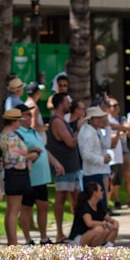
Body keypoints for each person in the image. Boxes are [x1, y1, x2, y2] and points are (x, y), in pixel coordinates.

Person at [0, 107, 40, 246]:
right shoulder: (10, 136)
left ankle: (12, 241)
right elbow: (14, 159)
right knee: (14, 209)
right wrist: (29, 156)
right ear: (14, 121)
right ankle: (13, 242)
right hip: (16, 174)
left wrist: (29, 150)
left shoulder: (7, 134)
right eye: (19, 120)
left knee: (12, 209)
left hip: (13, 174)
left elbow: (15, 152)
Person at [18, 103, 57, 245]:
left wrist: (55, 162)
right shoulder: (18, 133)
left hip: (42, 177)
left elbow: (44, 149)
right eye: (27, 114)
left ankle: (44, 237)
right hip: (29, 177)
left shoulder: (34, 131)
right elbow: (17, 154)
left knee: (43, 206)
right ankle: (27, 239)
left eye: (30, 114)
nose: (30, 117)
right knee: (26, 208)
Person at [46, 92, 82, 242]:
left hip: (71, 165)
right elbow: (70, 142)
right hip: (64, 166)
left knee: (76, 197)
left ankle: (77, 229)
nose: (69, 104)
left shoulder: (61, 120)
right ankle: (60, 232)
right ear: (60, 104)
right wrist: (79, 129)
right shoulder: (57, 122)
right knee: (61, 198)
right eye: (67, 102)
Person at [78, 105, 114, 215]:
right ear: (91, 119)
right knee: (97, 205)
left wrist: (107, 127)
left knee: (102, 204)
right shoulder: (88, 134)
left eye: (101, 117)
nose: (101, 120)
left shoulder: (95, 131)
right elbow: (86, 155)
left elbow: (106, 144)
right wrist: (101, 159)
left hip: (99, 171)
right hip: (93, 173)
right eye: (98, 117)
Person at [68, 180, 118, 247]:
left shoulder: (98, 205)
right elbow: (89, 223)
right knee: (100, 230)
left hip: (90, 234)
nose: (102, 192)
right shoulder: (85, 206)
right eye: (100, 190)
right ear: (94, 192)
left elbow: (108, 218)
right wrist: (105, 224)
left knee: (112, 227)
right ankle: (94, 250)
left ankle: (107, 248)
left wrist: (114, 222)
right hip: (79, 238)